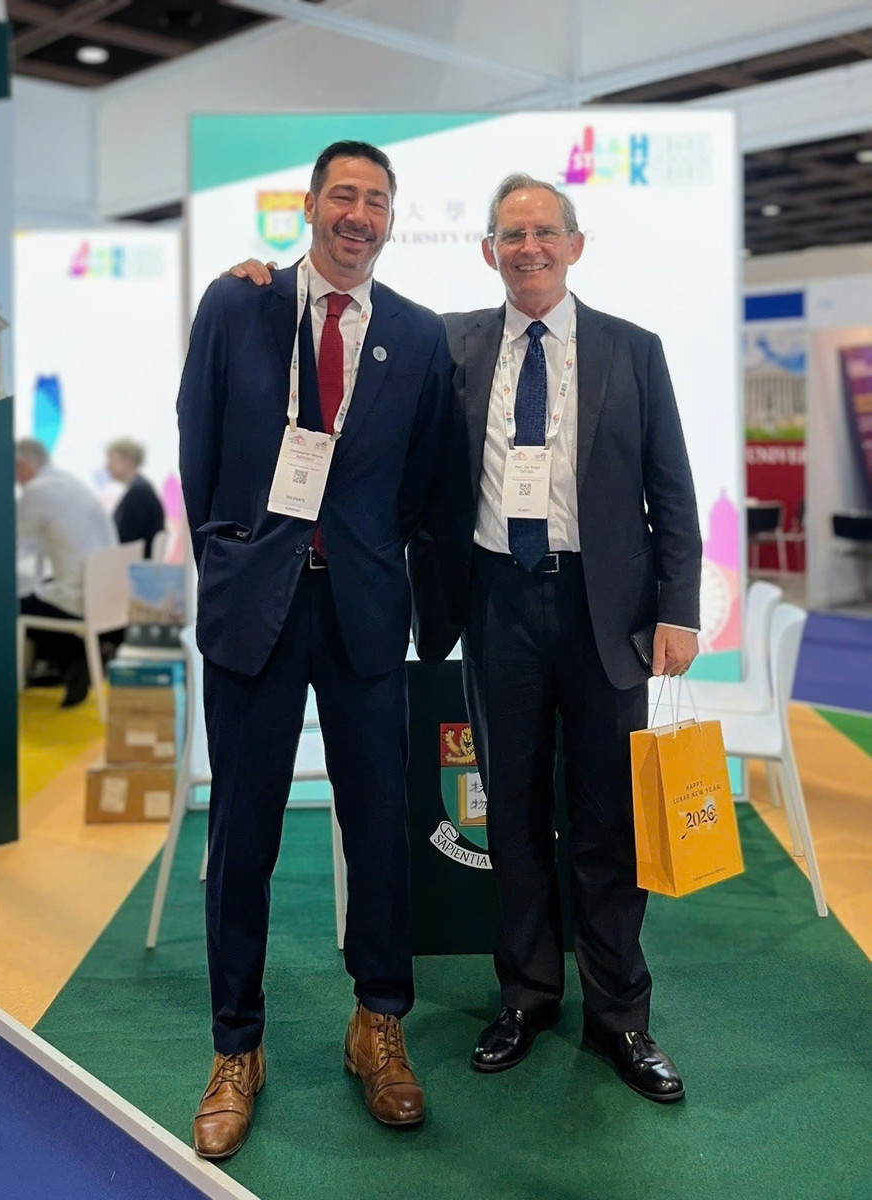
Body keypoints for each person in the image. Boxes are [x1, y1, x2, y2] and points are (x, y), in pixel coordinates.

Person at [228, 172, 702, 1105]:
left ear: (575, 245)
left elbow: (672, 488)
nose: (529, 249)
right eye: (511, 236)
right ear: (488, 251)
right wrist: (261, 290)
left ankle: (621, 1015)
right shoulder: (448, 342)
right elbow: (348, 339)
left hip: (604, 611)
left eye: (545, 232)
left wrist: (677, 609)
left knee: (605, 821)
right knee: (510, 815)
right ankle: (526, 995)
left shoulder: (633, 349)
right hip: (494, 604)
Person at [177, 141, 452, 1160]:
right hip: (256, 606)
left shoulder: (417, 335)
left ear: (390, 221)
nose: (358, 214)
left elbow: (425, 477)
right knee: (241, 833)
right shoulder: (238, 305)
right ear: (308, 205)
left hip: (364, 610)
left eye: (376, 201)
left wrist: (372, 554)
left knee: (380, 827)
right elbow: (198, 441)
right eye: (343, 194)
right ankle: (235, 1046)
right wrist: (230, 555)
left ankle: (378, 1022)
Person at [16, 438, 117, 707]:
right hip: (107, 595)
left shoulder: (36, 491)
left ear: (22, 464)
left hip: (80, 599)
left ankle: (73, 657)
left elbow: (14, 545)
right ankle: (77, 658)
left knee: (12, 605)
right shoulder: (71, 482)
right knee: (38, 589)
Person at [106, 438, 165, 557]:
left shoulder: (139, 494)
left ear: (129, 460)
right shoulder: (141, 490)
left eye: (113, 460)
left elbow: (125, 539)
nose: (108, 466)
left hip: (132, 563)